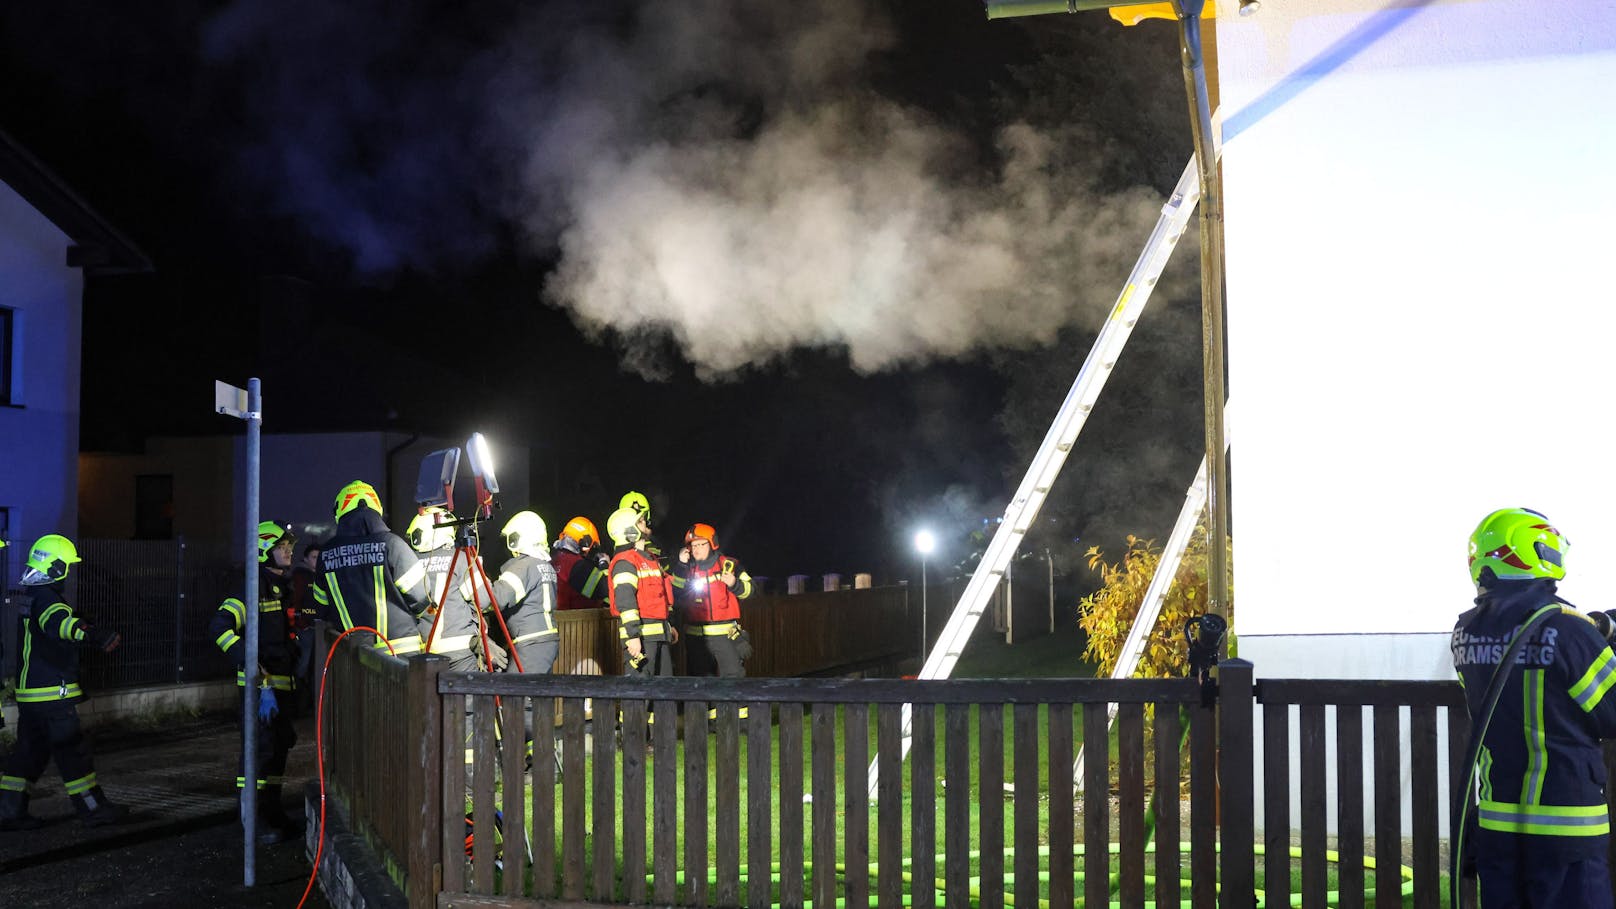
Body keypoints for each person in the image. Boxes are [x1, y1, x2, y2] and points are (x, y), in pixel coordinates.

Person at [1451, 507, 1616, 907]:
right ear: (1536, 553)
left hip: (1496, 825)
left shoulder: (1464, 633)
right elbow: (1610, 713)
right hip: (1567, 827)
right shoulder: (1569, 630)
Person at [0, 534, 128, 830]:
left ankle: (9, 811)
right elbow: (59, 625)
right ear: (56, 568)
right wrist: (92, 633)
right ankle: (93, 809)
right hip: (51, 695)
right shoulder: (47, 599)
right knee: (73, 752)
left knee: (29, 754)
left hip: (31, 695)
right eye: (67, 566)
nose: (69, 572)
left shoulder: (32, 596)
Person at [207, 521, 303, 845]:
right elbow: (219, 628)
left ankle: (272, 813)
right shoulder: (250, 588)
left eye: (289, 545)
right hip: (259, 688)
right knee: (258, 754)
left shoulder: (282, 586)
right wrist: (251, 666)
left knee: (277, 753)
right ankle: (253, 824)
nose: (288, 550)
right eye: (281, 546)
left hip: (281, 687)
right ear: (264, 550)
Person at [311, 480, 433, 654]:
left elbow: (321, 606)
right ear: (377, 507)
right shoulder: (392, 545)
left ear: (340, 511)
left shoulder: (326, 553)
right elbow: (423, 597)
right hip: (401, 658)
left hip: (354, 659)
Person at [671, 522, 755, 679]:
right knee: (700, 684)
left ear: (712, 543)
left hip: (726, 637)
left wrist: (734, 584)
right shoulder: (685, 569)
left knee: (732, 680)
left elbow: (751, 591)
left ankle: (734, 705)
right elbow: (675, 593)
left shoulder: (729, 565)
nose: (695, 549)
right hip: (696, 639)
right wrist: (681, 566)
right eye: (692, 546)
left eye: (700, 544)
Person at [408, 506, 482, 673]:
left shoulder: (410, 562)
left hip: (425, 655)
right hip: (460, 652)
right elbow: (484, 600)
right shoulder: (461, 559)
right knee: (466, 698)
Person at [606, 507, 675, 679]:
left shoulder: (649, 558)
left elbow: (661, 596)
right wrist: (633, 636)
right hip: (641, 638)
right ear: (630, 531)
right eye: (640, 521)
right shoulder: (625, 562)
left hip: (659, 634)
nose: (646, 523)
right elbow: (625, 601)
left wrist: (669, 626)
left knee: (665, 692)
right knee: (637, 694)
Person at [489, 511, 560, 675]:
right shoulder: (543, 565)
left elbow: (498, 598)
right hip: (543, 640)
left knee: (518, 695)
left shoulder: (523, 566)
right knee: (538, 694)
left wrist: (479, 588)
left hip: (531, 642)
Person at [287, 540, 322, 703]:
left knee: (315, 666)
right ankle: (297, 699)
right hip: (305, 628)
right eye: (314, 557)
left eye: (319, 557)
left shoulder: (318, 576)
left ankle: (308, 700)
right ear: (306, 559)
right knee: (303, 664)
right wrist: (299, 623)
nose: (317, 560)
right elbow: (295, 601)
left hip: (318, 627)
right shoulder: (300, 577)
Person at [551, 516, 609, 612]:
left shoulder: (553, 559)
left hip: (557, 620)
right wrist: (604, 565)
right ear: (585, 542)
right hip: (575, 623)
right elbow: (605, 589)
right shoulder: (579, 567)